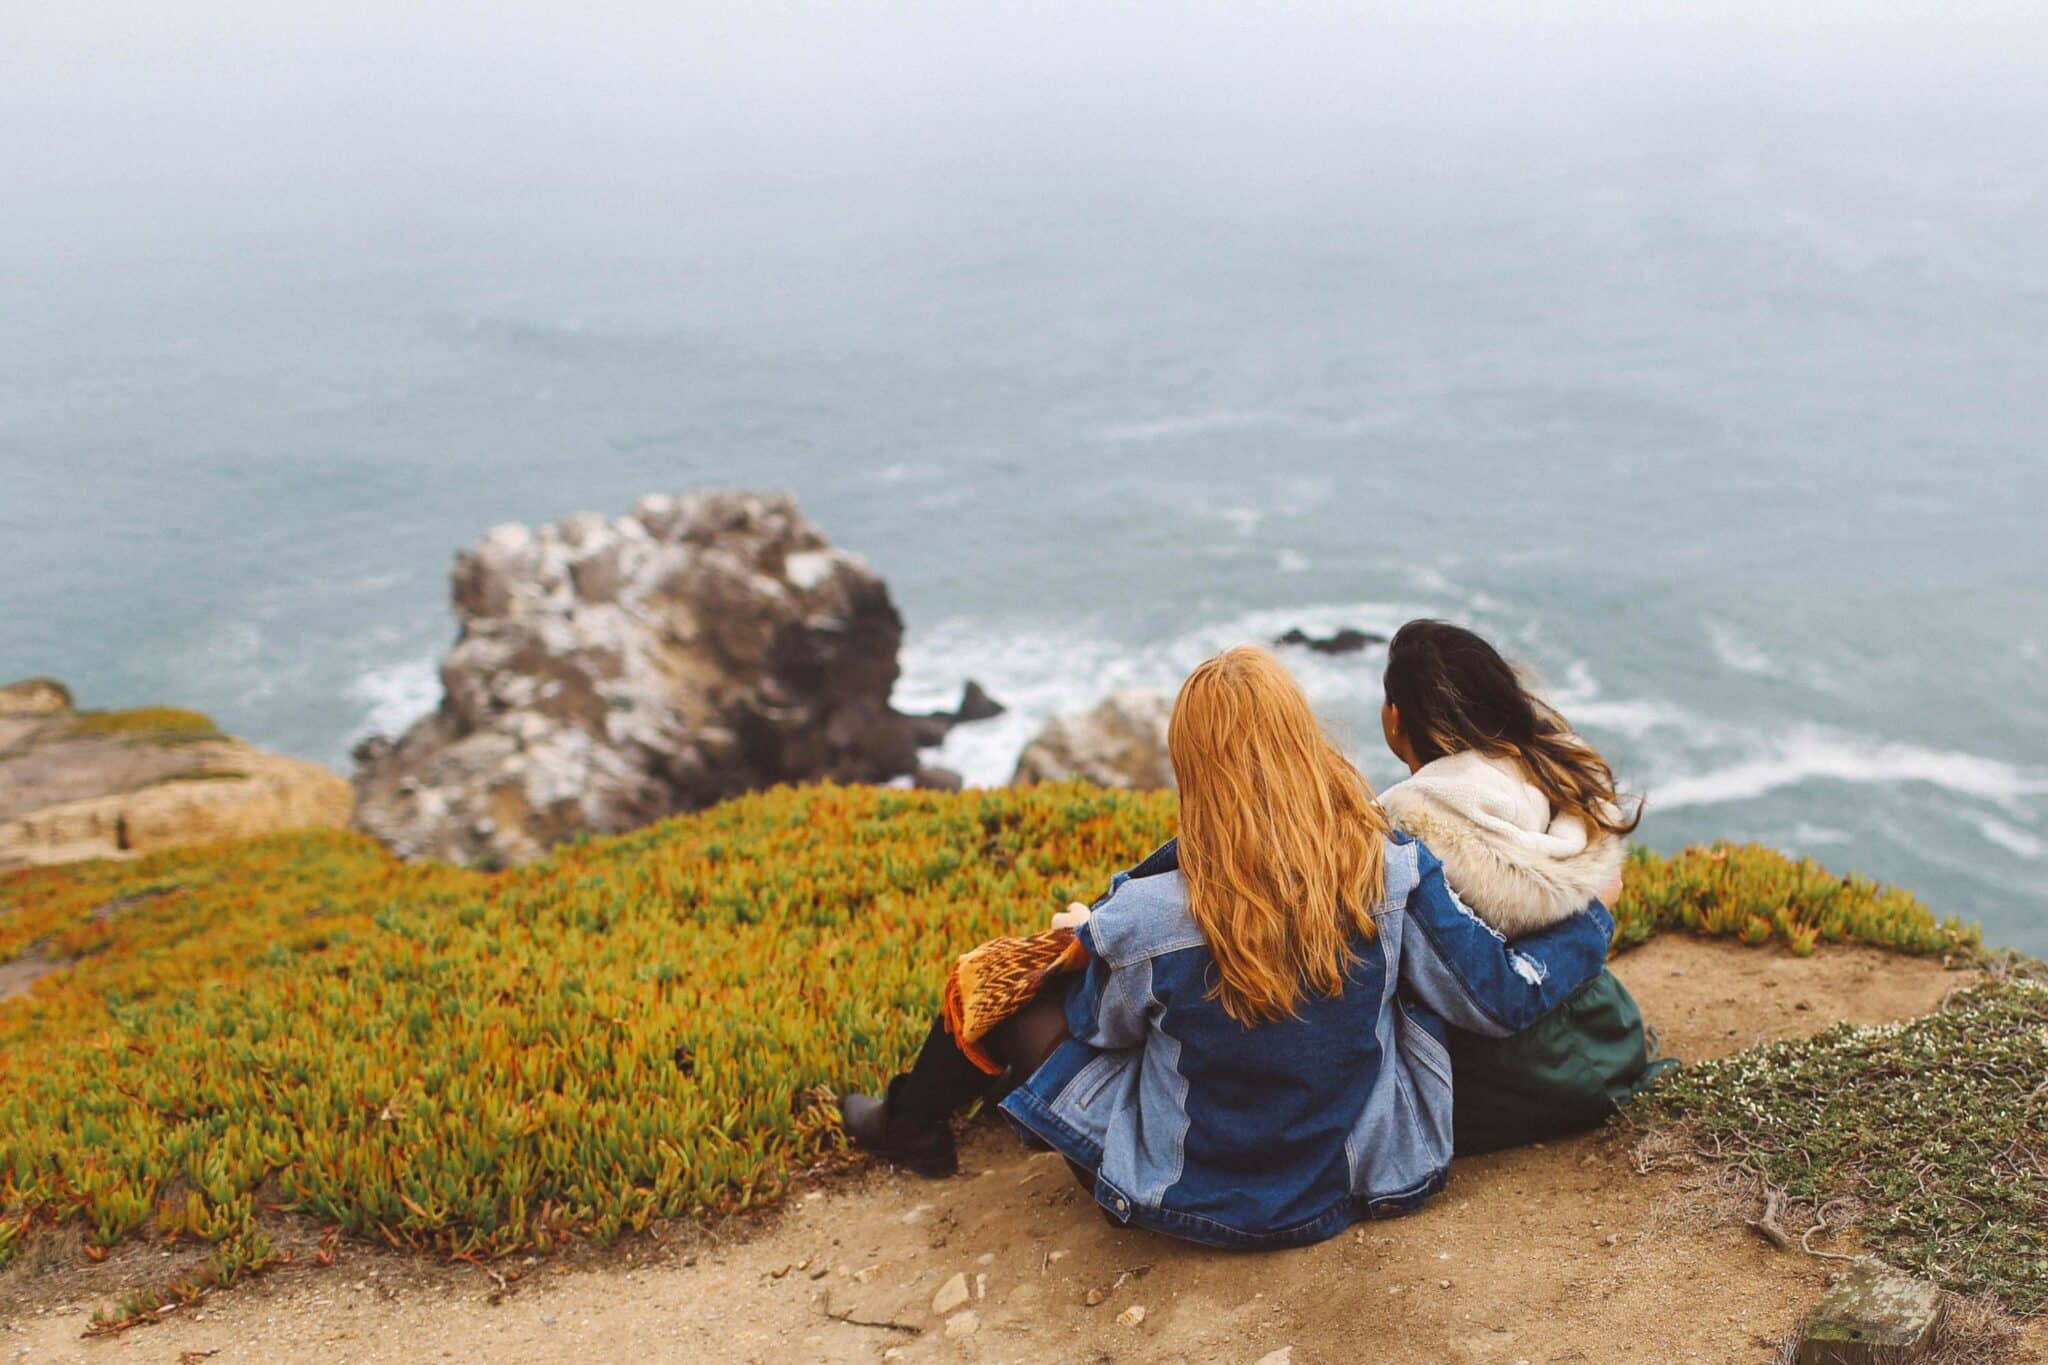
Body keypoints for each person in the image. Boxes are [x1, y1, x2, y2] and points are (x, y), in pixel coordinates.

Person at [838, 645, 1614, 1249]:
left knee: (1000, 977)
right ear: (1302, 741)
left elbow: (1102, 1029)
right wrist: (1590, 921)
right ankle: (915, 1117)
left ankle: (913, 1123)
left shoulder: (1146, 917)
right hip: (1356, 1180)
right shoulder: (1391, 870)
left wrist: (1088, 936)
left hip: (1184, 1199)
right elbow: (1496, 998)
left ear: (1192, 766)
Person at [1378, 619, 1672, 1153]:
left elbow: (1484, 995)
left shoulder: (1405, 825)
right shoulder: (1557, 776)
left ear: (1394, 719)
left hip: (1499, 1080)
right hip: (1608, 1036)